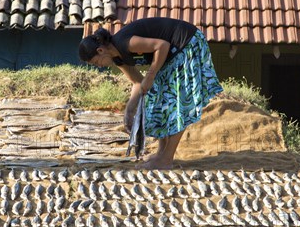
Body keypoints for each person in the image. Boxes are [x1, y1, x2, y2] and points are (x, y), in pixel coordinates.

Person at [78, 17, 223, 169]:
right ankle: (161, 153)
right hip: (172, 54)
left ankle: (166, 159)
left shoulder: (124, 43)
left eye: (95, 62)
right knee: (160, 101)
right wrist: (129, 111)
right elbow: (137, 83)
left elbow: (162, 45)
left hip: (186, 43)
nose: (99, 66)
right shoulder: (118, 59)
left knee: (177, 103)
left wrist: (151, 75)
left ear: (100, 51)